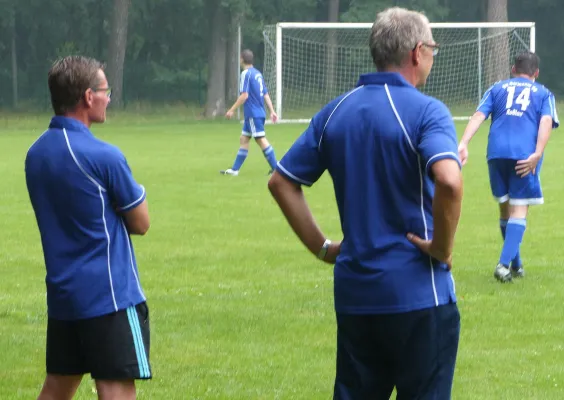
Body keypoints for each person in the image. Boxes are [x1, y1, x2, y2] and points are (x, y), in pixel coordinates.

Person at [268, 7, 463, 399]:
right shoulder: (427, 111)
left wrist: (323, 248)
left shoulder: (335, 111)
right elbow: (449, 180)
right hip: (419, 294)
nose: (432, 59)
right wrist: (441, 248)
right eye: (432, 51)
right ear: (416, 52)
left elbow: (281, 182)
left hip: (357, 295)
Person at [25, 55, 152, 400]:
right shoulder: (104, 156)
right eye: (105, 90)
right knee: (115, 390)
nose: (109, 97)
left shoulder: (35, 154)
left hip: (65, 296)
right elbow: (141, 223)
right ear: (87, 97)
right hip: (109, 297)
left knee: (58, 387)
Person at [458, 51, 559, 283]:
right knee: (520, 210)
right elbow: (545, 121)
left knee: (505, 209)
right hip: (524, 155)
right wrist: (537, 153)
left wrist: (463, 143)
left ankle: (516, 264)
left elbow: (478, 115)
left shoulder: (497, 88)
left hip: (495, 153)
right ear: (536, 73)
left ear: (513, 69)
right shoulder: (544, 93)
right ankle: (503, 265)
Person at [220, 49, 279, 176]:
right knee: (244, 139)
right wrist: (272, 111)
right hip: (257, 113)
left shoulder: (245, 74)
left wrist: (231, 110)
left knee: (260, 139)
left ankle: (277, 169)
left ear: (242, 59)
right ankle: (235, 170)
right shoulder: (257, 73)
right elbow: (266, 94)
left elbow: (244, 95)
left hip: (253, 114)